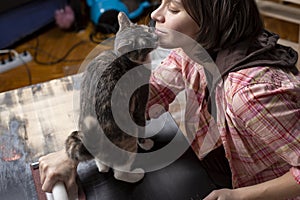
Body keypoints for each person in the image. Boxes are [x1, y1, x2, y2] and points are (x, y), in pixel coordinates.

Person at [39, 0, 300, 199]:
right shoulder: (190, 52)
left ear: (210, 21)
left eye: (173, 9)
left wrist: (239, 196)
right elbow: (143, 97)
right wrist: (72, 150)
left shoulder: (249, 94)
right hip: (219, 164)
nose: (155, 14)